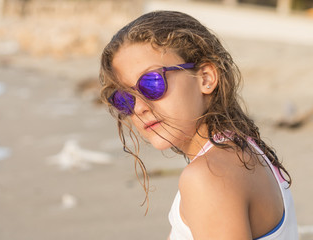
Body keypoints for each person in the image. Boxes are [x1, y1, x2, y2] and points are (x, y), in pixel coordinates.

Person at [99, 11, 298, 240]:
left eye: (151, 83)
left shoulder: (208, 176)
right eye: (124, 98)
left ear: (205, 78)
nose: (139, 108)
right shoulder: (246, 150)